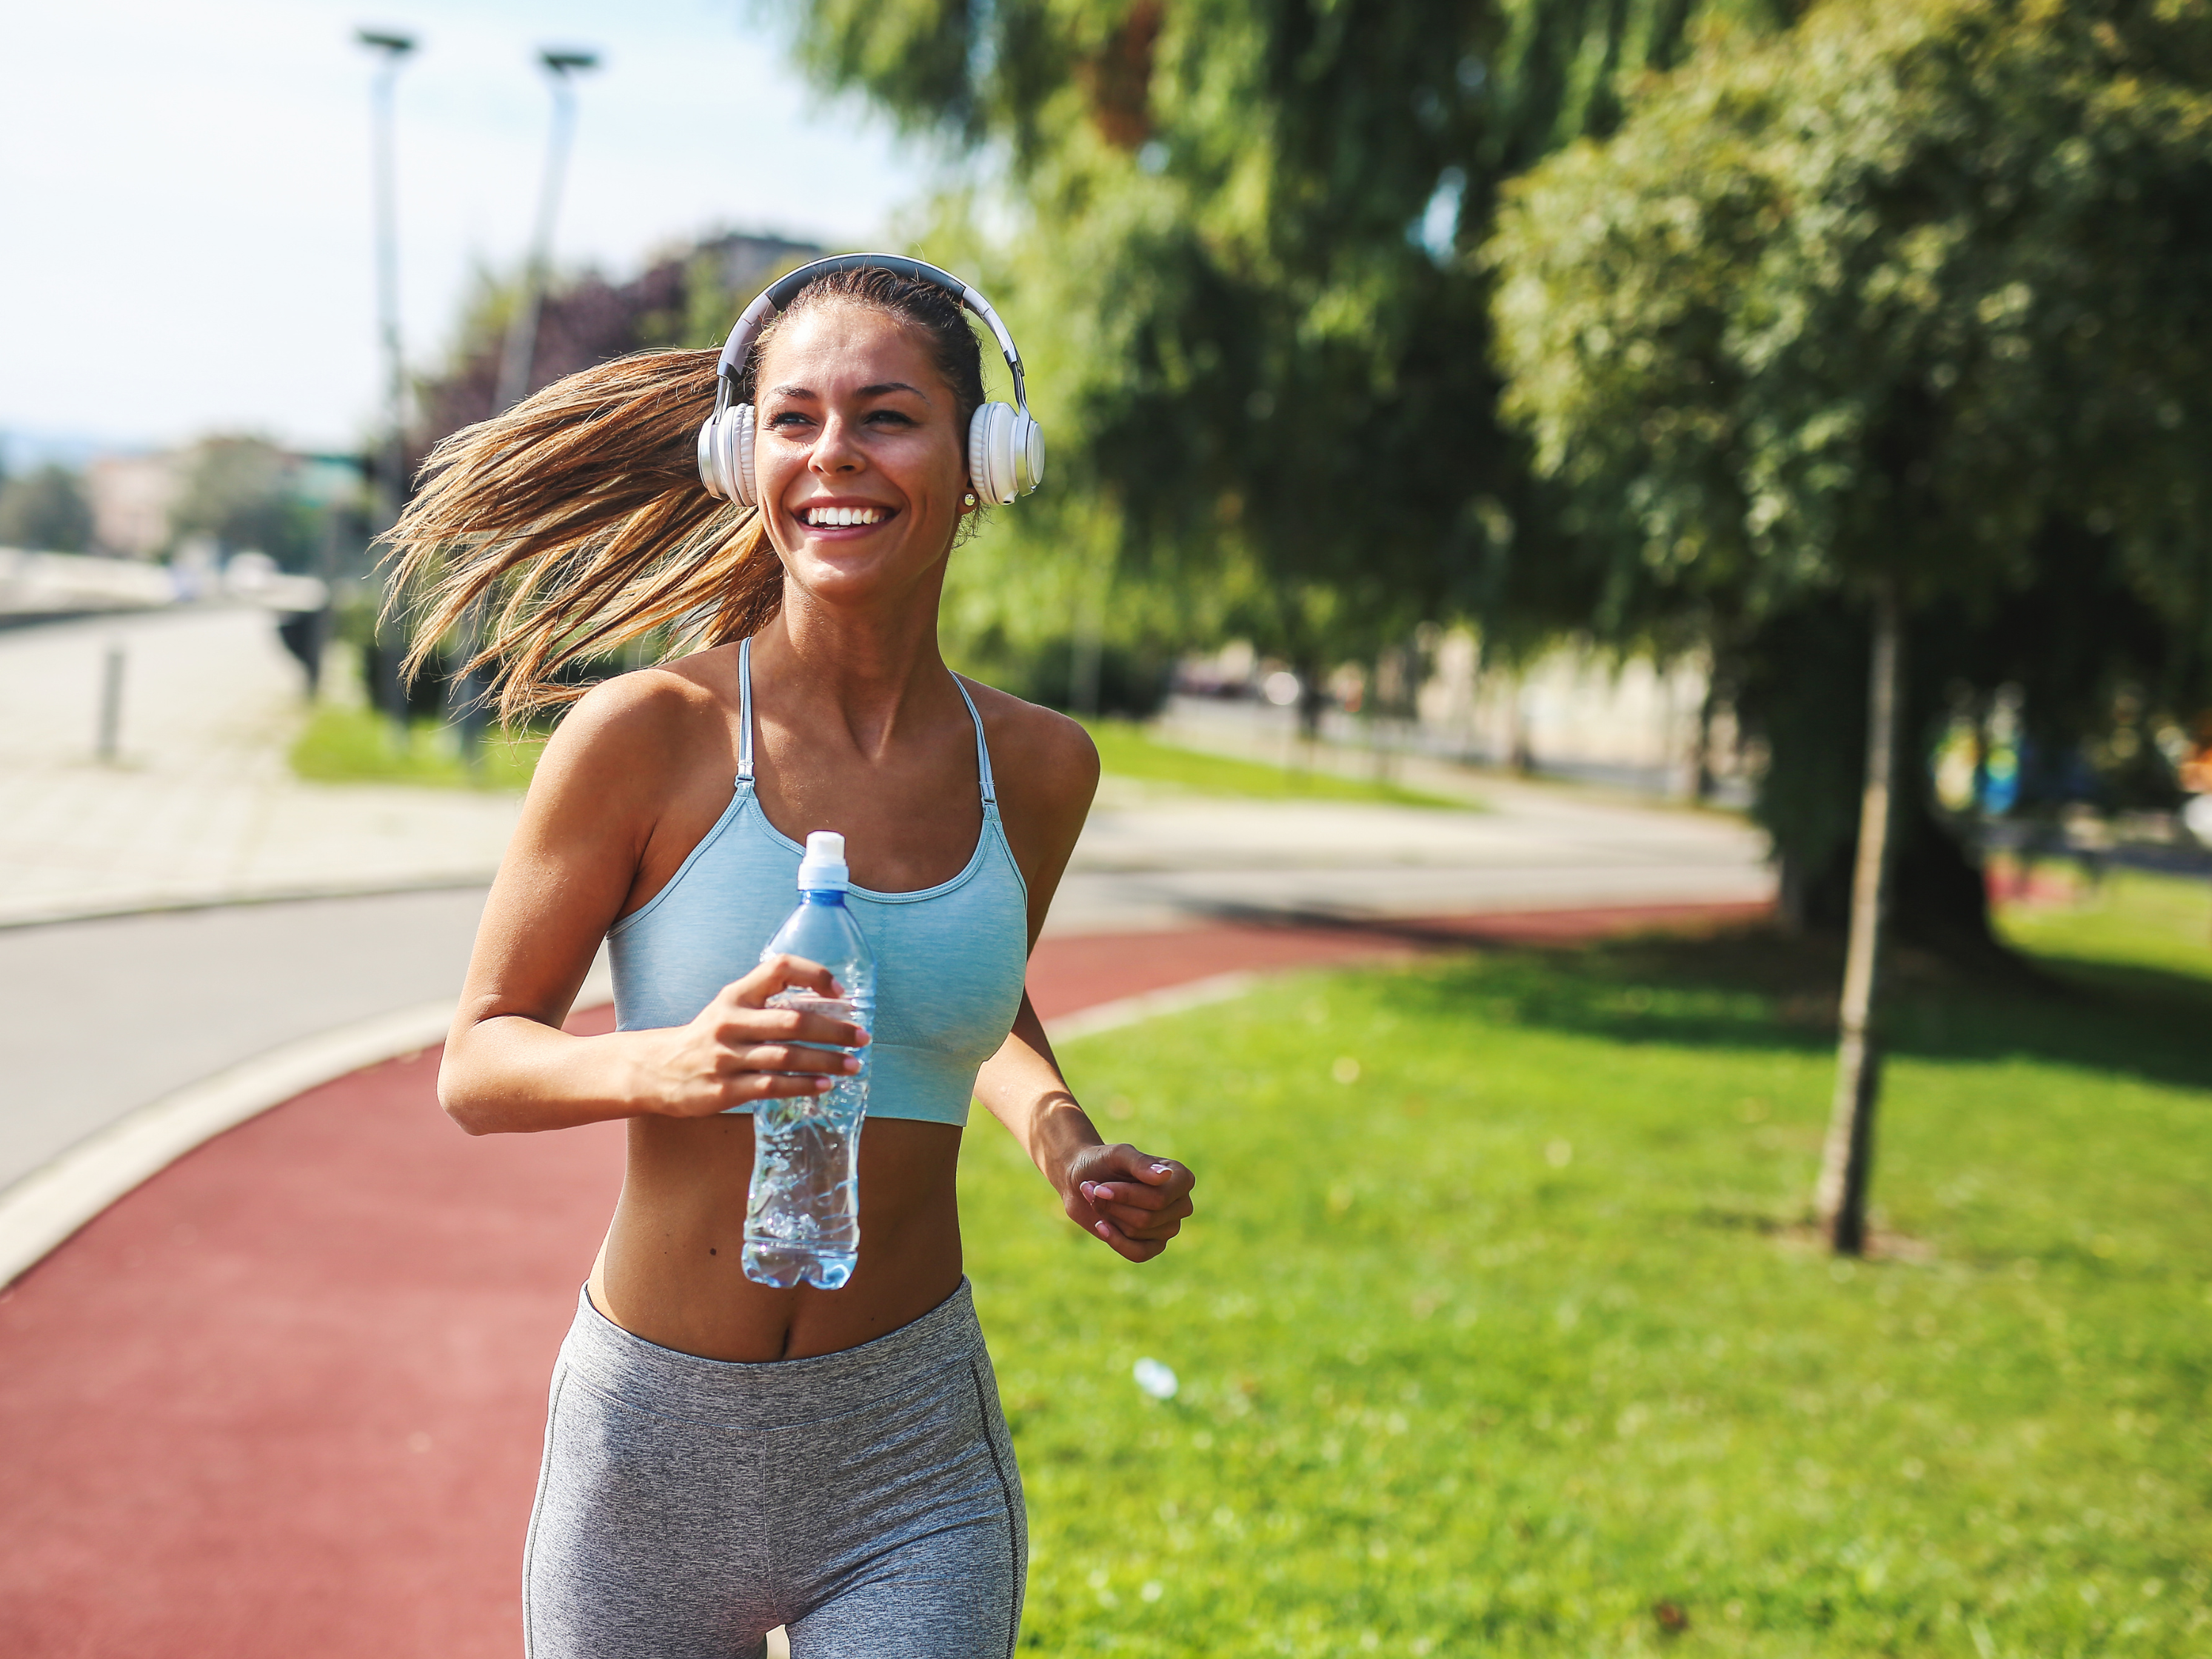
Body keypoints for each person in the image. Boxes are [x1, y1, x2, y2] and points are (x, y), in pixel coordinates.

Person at [387, 257, 1197, 1659]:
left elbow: (972, 996)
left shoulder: (1041, 768)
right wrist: (679, 1062)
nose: (836, 456)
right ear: (739, 452)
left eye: (886, 417)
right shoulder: (646, 736)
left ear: (982, 458)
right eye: (794, 419)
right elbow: (480, 1061)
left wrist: (1063, 1139)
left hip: (907, 1454)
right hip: (650, 1448)